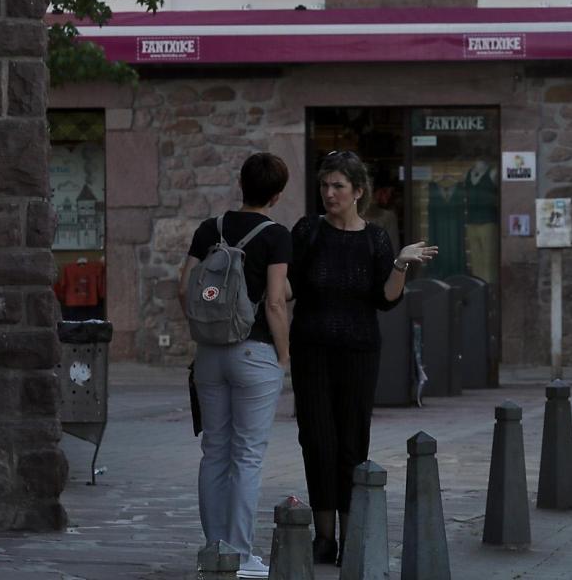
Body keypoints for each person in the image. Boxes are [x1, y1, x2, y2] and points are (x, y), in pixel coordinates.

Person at [289, 151, 439, 564]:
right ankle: (324, 537)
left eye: (338, 186)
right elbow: (288, 287)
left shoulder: (375, 238)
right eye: (325, 185)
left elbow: (386, 299)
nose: (329, 193)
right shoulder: (307, 231)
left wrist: (400, 264)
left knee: (352, 440)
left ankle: (352, 532)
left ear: (358, 192)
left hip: (358, 351)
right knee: (317, 440)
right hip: (312, 351)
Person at [183, 153, 294, 579]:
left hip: (209, 353)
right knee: (246, 456)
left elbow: (184, 287)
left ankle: (213, 550)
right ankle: (242, 555)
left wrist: (204, 332)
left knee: (214, 451)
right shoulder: (276, 235)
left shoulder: (210, 229)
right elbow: (276, 301)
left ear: (241, 185)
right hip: (255, 351)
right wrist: (283, 357)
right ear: (277, 194)